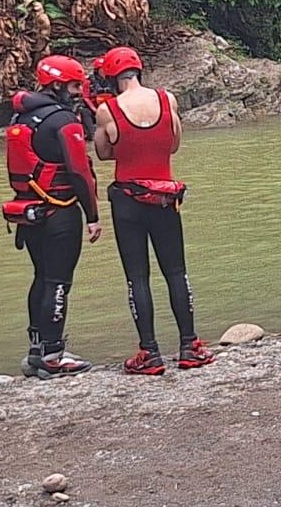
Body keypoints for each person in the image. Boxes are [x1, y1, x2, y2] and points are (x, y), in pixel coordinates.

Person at [91, 47, 212, 375]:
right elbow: (173, 144)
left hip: (128, 201)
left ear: (113, 76)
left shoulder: (108, 110)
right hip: (164, 198)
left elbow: (103, 153)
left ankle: (150, 352)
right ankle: (190, 346)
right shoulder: (166, 99)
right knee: (176, 272)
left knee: (137, 277)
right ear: (139, 71)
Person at [2, 55, 103, 379]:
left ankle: (36, 350)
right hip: (60, 212)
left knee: (41, 277)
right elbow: (79, 172)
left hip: (29, 213)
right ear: (57, 85)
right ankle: (54, 354)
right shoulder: (64, 122)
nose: (78, 92)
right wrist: (93, 215)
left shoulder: (22, 117)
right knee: (59, 282)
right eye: (74, 86)